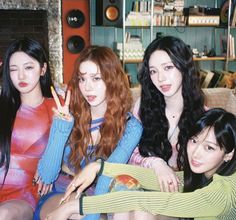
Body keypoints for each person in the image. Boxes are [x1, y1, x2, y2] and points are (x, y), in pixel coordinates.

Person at [44, 108, 236, 220]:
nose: (196, 152)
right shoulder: (206, 174)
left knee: (139, 205)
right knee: (126, 182)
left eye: (209, 148)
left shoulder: (222, 193)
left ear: (228, 154)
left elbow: (143, 201)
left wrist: (73, 207)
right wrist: (100, 167)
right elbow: (151, 177)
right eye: (194, 141)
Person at [34, 46, 143, 220]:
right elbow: (47, 176)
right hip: (61, 191)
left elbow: (107, 177)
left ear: (112, 79)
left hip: (98, 196)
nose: (88, 87)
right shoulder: (69, 116)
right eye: (82, 79)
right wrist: (61, 126)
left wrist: (88, 213)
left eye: (96, 78)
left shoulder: (131, 127)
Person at [129, 36, 205, 192]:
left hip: (184, 194)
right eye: (153, 71)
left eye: (168, 68)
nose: (160, 78)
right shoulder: (142, 108)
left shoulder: (204, 116)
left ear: (184, 67)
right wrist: (157, 164)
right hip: (149, 187)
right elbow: (129, 154)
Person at [0, 37, 55, 220]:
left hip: (22, 194)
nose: (21, 76)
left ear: (43, 69)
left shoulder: (58, 108)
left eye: (29, 67)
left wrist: (48, 164)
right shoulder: (3, 108)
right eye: (13, 69)